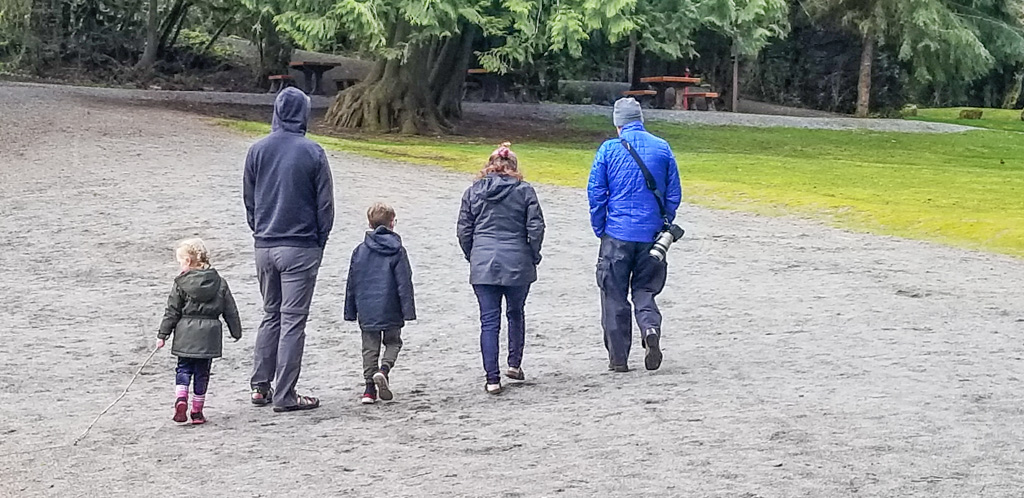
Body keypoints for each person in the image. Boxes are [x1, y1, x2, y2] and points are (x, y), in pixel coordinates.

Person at [243, 87, 335, 412]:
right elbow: (325, 205)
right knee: (293, 321)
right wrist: (319, 242)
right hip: (300, 246)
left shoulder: (257, 150)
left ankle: (260, 386)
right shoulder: (313, 152)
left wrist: (260, 231)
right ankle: (285, 394)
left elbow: (250, 201)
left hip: (265, 245)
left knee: (271, 314)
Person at [588, 97, 682, 373]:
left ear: (618, 124)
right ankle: (650, 328)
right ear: (640, 119)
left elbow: (596, 193)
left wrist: (600, 227)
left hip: (617, 233)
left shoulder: (608, 150)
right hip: (651, 235)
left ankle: (618, 359)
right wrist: (664, 220)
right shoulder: (662, 147)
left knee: (613, 294)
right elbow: (673, 192)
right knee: (645, 289)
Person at [457, 142, 545, 394]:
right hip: (517, 260)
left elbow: (464, 230)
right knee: (516, 313)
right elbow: (536, 228)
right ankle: (514, 364)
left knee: (489, 321)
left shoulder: (473, 192)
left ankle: (492, 379)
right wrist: (533, 254)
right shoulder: (525, 191)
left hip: (483, 262)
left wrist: (473, 255)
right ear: (513, 166)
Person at [157, 238, 242, 425]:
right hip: (209, 336)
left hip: (185, 334)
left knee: (183, 368)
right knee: (202, 373)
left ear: (188, 261)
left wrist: (163, 334)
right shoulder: (220, 282)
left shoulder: (181, 283)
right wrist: (236, 331)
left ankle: (181, 398)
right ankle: (197, 411)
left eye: (180, 262)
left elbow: (172, 311)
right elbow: (230, 310)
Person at [344, 203, 417, 405]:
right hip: (391, 306)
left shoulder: (359, 251)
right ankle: (384, 370)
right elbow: (404, 282)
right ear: (392, 223)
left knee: (369, 348)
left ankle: (369, 390)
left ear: (370, 224)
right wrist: (408, 310)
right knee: (394, 342)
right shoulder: (398, 250)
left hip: (366, 308)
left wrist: (350, 310)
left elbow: (352, 282)